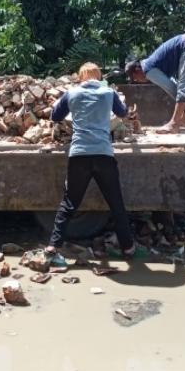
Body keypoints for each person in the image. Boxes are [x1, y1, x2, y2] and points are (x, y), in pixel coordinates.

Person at [45, 63, 140, 258]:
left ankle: (53, 246)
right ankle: (128, 247)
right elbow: (122, 114)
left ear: (81, 77)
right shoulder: (108, 93)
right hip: (103, 154)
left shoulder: (71, 93)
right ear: (99, 76)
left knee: (69, 202)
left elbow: (55, 116)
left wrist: (57, 103)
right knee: (116, 203)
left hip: (79, 154)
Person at [125, 33, 185, 133]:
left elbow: (172, 89)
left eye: (135, 79)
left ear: (137, 70)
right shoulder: (153, 62)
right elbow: (176, 86)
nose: (138, 81)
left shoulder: (148, 70)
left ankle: (173, 124)